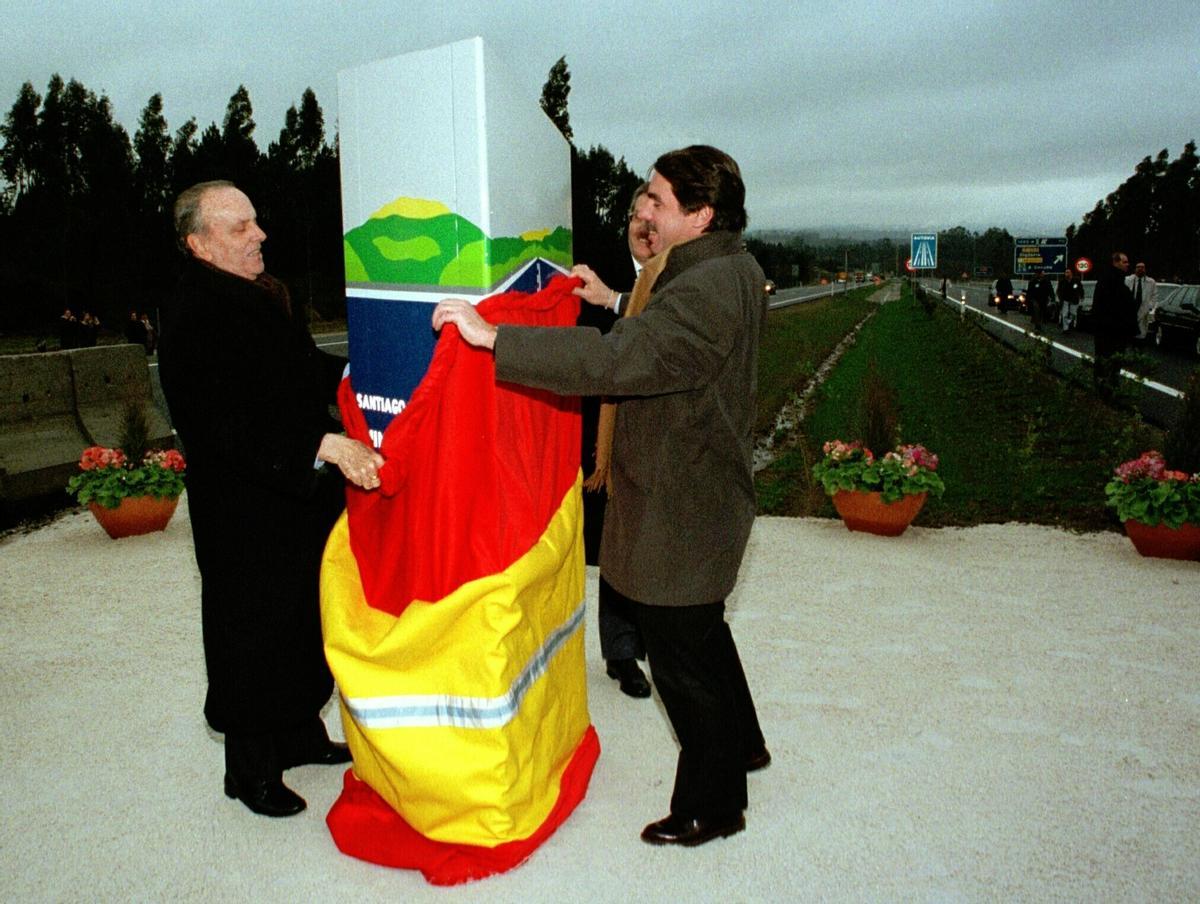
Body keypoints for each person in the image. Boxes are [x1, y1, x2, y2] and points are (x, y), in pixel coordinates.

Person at [433, 145, 769, 848]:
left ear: (700, 215)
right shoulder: (722, 267)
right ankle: (743, 746)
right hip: (699, 489)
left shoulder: (704, 286)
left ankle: (714, 804)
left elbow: (624, 359)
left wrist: (495, 338)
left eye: (658, 199)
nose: (643, 207)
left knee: (679, 653)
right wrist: (614, 301)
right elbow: (663, 336)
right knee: (700, 632)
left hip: (685, 501)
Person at [158, 180, 384, 818]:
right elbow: (218, 425)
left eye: (256, 221)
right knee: (250, 635)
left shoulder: (246, 296)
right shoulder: (192, 311)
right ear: (198, 244)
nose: (259, 235)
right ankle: (249, 772)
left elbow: (298, 366)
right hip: (245, 512)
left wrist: (357, 372)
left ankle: (298, 736)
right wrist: (324, 444)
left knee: (301, 622)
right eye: (238, 228)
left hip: (289, 499)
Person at [572, 184, 654, 699]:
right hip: (598, 427)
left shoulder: (677, 276)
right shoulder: (594, 271)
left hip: (654, 426)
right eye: (637, 218)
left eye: (654, 218)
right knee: (603, 537)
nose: (645, 229)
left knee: (639, 537)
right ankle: (619, 653)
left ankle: (637, 647)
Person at [1090, 251, 1136, 400]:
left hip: (1112, 330)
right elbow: (1108, 306)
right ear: (1115, 262)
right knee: (1108, 360)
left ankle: (1107, 388)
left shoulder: (1118, 281)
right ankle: (1106, 390)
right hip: (1110, 330)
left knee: (1110, 360)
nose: (1127, 265)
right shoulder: (1110, 281)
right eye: (1124, 262)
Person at [1125, 261, 1157, 341]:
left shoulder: (1151, 282)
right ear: (1135, 269)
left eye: (1142, 267)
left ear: (1145, 269)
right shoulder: (1127, 280)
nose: (1140, 269)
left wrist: (1150, 306)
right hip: (1130, 309)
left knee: (1141, 335)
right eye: (1138, 267)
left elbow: (1154, 295)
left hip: (1143, 310)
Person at [1057, 267, 1083, 332]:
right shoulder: (1062, 281)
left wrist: (1081, 295)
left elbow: (1080, 289)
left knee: (1073, 314)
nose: (1067, 274)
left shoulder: (1076, 280)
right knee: (1064, 314)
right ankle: (1065, 329)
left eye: (1068, 272)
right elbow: (1059, 290)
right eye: (1066, 272)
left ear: (1071, 273)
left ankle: (1069, 323)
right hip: (1065, 300)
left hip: (1074, 300)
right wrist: (1060, 297)